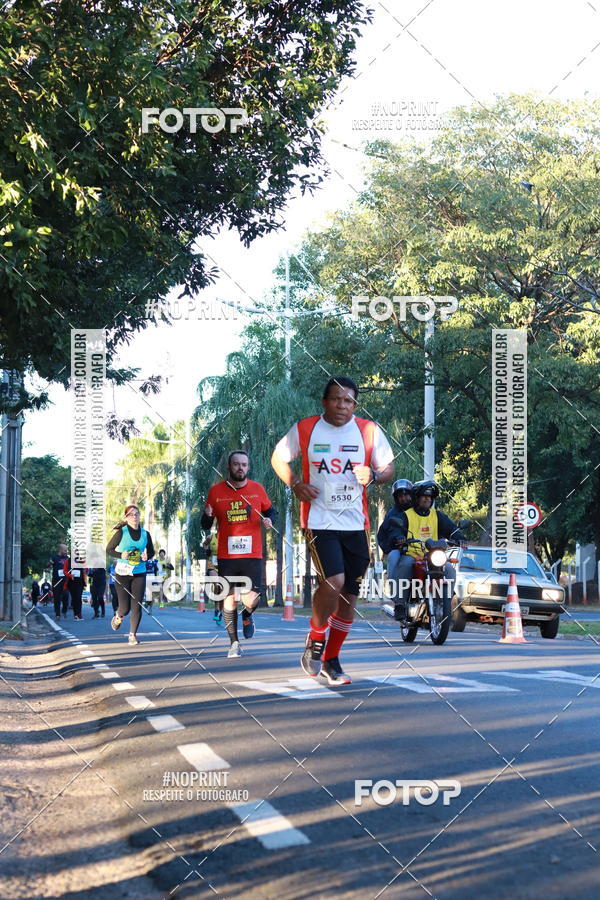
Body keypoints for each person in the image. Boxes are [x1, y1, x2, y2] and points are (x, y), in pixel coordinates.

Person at [272, 376, 395, 685]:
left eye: (349, 401)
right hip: (319, 520)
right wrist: (296, 484)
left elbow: (389, 469)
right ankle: (316, 637)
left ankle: (332, 660)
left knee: (350, 595)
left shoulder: (368, 430)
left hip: (356, 523)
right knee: (334, 580)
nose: (343, 405)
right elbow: (278, 458)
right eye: (336, 399)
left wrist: (375, 475)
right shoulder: (307, 428)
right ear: (325, 402)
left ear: (355, 404)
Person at [201, 450, 277, 658]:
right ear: (229, 467)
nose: (240, 468)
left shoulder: (257, 489)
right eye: (236, 464)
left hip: (252, 554)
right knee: (229, 599)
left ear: (248, 467)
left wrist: (270, 520)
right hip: (227, 555)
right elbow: (205, 524)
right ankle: (234, 643)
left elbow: (271, 511)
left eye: (244, 464)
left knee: (250, 600)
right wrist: (207, 516)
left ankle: (248, 615)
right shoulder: (216, 491)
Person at [377, 480, 467, 620]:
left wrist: (460, 538)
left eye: (430, 497)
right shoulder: (405, 515)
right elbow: (396, 530)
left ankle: (446, 603)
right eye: (424, 496)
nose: (427, 499)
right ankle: (400, 604)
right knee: (405, 564)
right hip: (412, 554)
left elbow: (451, 529)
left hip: (433, 555)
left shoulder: (437, 515)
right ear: (417, 498)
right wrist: (399, 538)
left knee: (449, 569)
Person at [106, 505, 155, 645]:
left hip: (139, 572)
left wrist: (147, 556)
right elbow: (109, 549)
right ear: (126, 518)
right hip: (122, 573)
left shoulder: (146, 534)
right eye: (131, 514)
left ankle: (132, 635)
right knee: (125, 608)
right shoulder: (122, 532)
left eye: (136, 514)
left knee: (137, 605)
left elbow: (151, 551)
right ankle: (118, 615)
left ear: (140, 516)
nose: (134, 516)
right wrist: (120, 554)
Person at [204, 532, 223, 624]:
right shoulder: (210, 537)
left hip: (224, 564)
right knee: (217, 584)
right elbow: (205, 544)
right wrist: (207, 549)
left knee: (223, 589)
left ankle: (220, 612)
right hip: (212, 565)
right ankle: (216, 609)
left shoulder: (229, 536)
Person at [49, 543, 69, 620]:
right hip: (56, 580)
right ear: (60, 549)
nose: (66, 551)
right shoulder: (54, 557)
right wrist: (50, 563)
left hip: (65, 580)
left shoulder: (67, 558)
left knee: (66, 595)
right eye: (65, 550)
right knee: (57, 597)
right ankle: (57, 614)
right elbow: (48, 566)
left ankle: (64, 610)